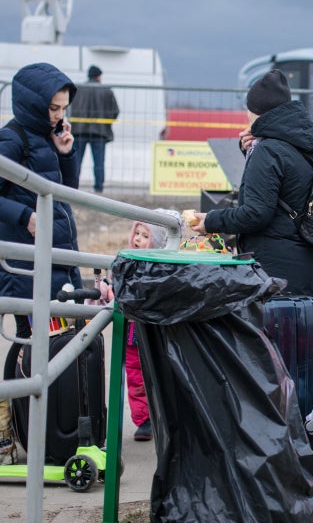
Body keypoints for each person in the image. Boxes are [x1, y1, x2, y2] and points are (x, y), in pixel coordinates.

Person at [190, 69, 313, 300]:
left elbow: (256, 214)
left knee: (271, 335)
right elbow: (287, 186)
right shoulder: (304, 143)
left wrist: (211, 221)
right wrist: (250, 152)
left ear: (257, 113)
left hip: (275, 270)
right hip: (308, 262)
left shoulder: (268, 150)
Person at [0, 62, 80, 339]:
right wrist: (25, 216)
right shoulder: (12, 139)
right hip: (28, 262)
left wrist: (66, 154)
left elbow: (67, 192)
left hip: (55, 255)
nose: (59, 116)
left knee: (50, 345)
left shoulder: (49, 137)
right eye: (53, 108)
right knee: (34, 345)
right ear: (33, 105)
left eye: (63, 108)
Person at [97, 212, 180, 441]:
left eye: (145, 235)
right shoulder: (125, 262)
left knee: (164, 372)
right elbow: (114, 286)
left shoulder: (162, 268)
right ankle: (143, 419)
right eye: (137, 233)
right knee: (135, 376)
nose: (138, 239)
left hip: (158, 330)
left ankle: (167, 416)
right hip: (132, 333)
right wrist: (107, 290)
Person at [71, 65, 119, 193]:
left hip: (79, 130)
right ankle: (98, 188)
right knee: (99, 163)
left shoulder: (78, 89)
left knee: (76, 162)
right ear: (98, 76)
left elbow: (69, 109)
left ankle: (72, 187)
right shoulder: (106, 90)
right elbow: (115, 111)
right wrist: (106, 123)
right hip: (99, 132)